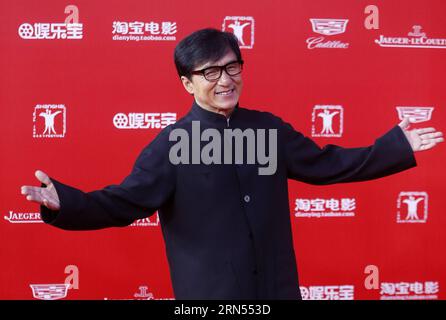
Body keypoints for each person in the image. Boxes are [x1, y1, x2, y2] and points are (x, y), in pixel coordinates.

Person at [20, 28, 444, 300]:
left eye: (231, 67)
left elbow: (326, 164)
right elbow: (124, 202)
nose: (225, 80)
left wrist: (394, 145)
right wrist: (66, 202)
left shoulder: (267, 130)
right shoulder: (172, 145)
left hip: (276, 288)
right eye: (209, 72)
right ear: (187, 83)